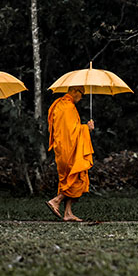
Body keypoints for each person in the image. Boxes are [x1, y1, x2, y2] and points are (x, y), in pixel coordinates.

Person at [46, 85, 94, 222]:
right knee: (76, 178)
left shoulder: (59, 105)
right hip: (69, 150)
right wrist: (87, 129)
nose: (82, 97)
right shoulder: (68, 108)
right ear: (74, 91)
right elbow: (72, 133)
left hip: (62, 149)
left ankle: (68, 213)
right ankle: (56, 201)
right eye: (81, 93)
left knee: (70, 179)